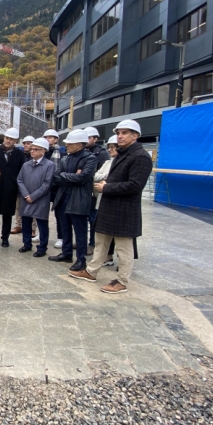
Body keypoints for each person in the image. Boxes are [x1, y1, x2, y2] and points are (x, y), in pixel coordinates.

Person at [70, 120, 153, 294]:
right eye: (119, 132)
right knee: (101, 242)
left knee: (123, 247)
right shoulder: (121, 154)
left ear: (135, 136)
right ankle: (91, 272)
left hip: (124, 210)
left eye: (125, 133)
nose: (120, 136)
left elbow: (135, 185)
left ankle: (122, 281)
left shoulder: (140, 157)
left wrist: (106, 187)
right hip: (109, 207)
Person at [49, 129, 97, 272]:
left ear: (80, 144)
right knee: (64, 228)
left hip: (79, 200)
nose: (67, 145)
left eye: (70, 143)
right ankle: (67, 253)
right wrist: (72, 176)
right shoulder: (65, 159)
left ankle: (81, 260)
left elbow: (83, 178)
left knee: (80, 231)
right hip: (63, 198)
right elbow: (56, 177)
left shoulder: (90, 158)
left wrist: (67, 176)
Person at [16, 137, 55, 257]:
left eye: (35, 149)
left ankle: (42, 247)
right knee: (26, 221)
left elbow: (47, 184)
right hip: (26, 197)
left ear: (43, 151)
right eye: (31, 149)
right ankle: (27, 244)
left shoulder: (49, 165)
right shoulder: (26, 165)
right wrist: (26, 194)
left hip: (41, 199)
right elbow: (20, 179)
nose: (32, 151)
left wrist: (33, 196)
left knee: (42, 223)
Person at [0, 127, 25, 247]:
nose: (8, 141)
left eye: (11, 139)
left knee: (7, 214)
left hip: (11, 188)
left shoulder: (19, 154)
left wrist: (17, 185)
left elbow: (21, 171)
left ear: (15, 141)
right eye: (7, 138)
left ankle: (5, 238)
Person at [93, 135, 119, 267]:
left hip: (117, 203)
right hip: (102, 200)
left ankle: (117, 259)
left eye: (112, 147)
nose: (110, 150)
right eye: (109, 147)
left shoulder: (122, 163)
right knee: (103, 232)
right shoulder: (108, 162)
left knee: (119, 235)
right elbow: (96, 176)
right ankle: (106, 257)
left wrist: (106, 180)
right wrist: (106, 176)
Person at [85, 126, 111, 255]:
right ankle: (83, 242)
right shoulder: (82, 151)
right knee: (82, 218)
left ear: (95, 139)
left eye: (89, 137)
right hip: (83, 191)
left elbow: (103, 174)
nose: (86, 140)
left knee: (93, 219)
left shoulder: (102, 153)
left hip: (94, 191)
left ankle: (92, 244)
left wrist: (87, 174)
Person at [44, 128, 67, 249]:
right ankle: (41, 234)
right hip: (45, 186)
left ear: (56, 139)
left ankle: (61, 237)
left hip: (58, 187)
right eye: (46, 137)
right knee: (41, 211)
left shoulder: (62, 152)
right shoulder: (43, 152)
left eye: (50, 137)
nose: (48, 140)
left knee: (60, 214)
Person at [12, 135, 36, 236]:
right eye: (25, 143)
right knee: (18, 207)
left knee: (33, 207)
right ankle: (18, 225)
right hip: (20, 186)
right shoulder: (21, 155)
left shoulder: (35, 157)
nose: (26, 145)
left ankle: (33, 228)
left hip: (32, 187)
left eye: (28, 143)